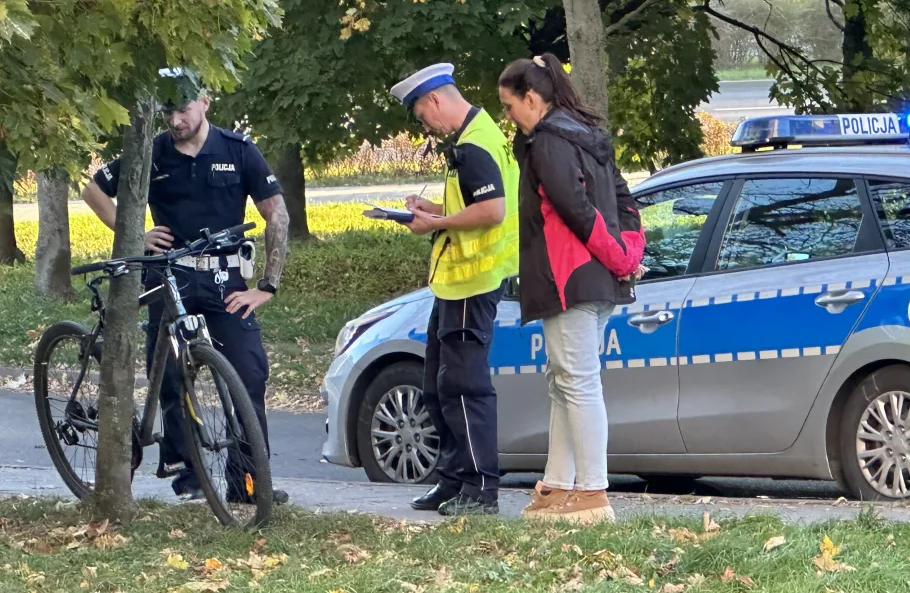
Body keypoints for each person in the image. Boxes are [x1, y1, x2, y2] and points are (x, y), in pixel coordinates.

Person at [82, 67, 290, 505]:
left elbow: (276, 213)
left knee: (249, 373)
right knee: (173, 377)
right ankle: (189, 473)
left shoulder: (238, 150)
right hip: (169, 276)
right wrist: (133, 234)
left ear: (205, 103)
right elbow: (93, 190)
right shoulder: (151, 152)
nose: (174, 121)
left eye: (181, 110)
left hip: (225, 280)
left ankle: (250, 483)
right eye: (167, 113)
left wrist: (268, 285)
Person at [497, 53, 646, 523]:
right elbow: (626, 202)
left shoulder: (547, 142)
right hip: (599, 280)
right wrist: (627, 254)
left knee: (577, 383)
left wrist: (618, 254)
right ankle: (558, 485)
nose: (508, 117)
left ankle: (591, 494)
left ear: (532, 98)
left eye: (509, 105)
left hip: (569, 280)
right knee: (563, 381)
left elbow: (576, 211)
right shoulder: (588, 136)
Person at [389, 63, 520, 516]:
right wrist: (435, 207)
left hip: (472, 282)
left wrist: (436, 222)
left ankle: (480, 490)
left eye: (422, 114)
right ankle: (451, 481)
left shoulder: (475, 144)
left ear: (436, 100)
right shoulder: (476, 135)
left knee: (464, 387)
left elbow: (494, 210)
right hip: (455, 284)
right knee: (437, 385)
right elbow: (474, 201)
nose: (424, 124)